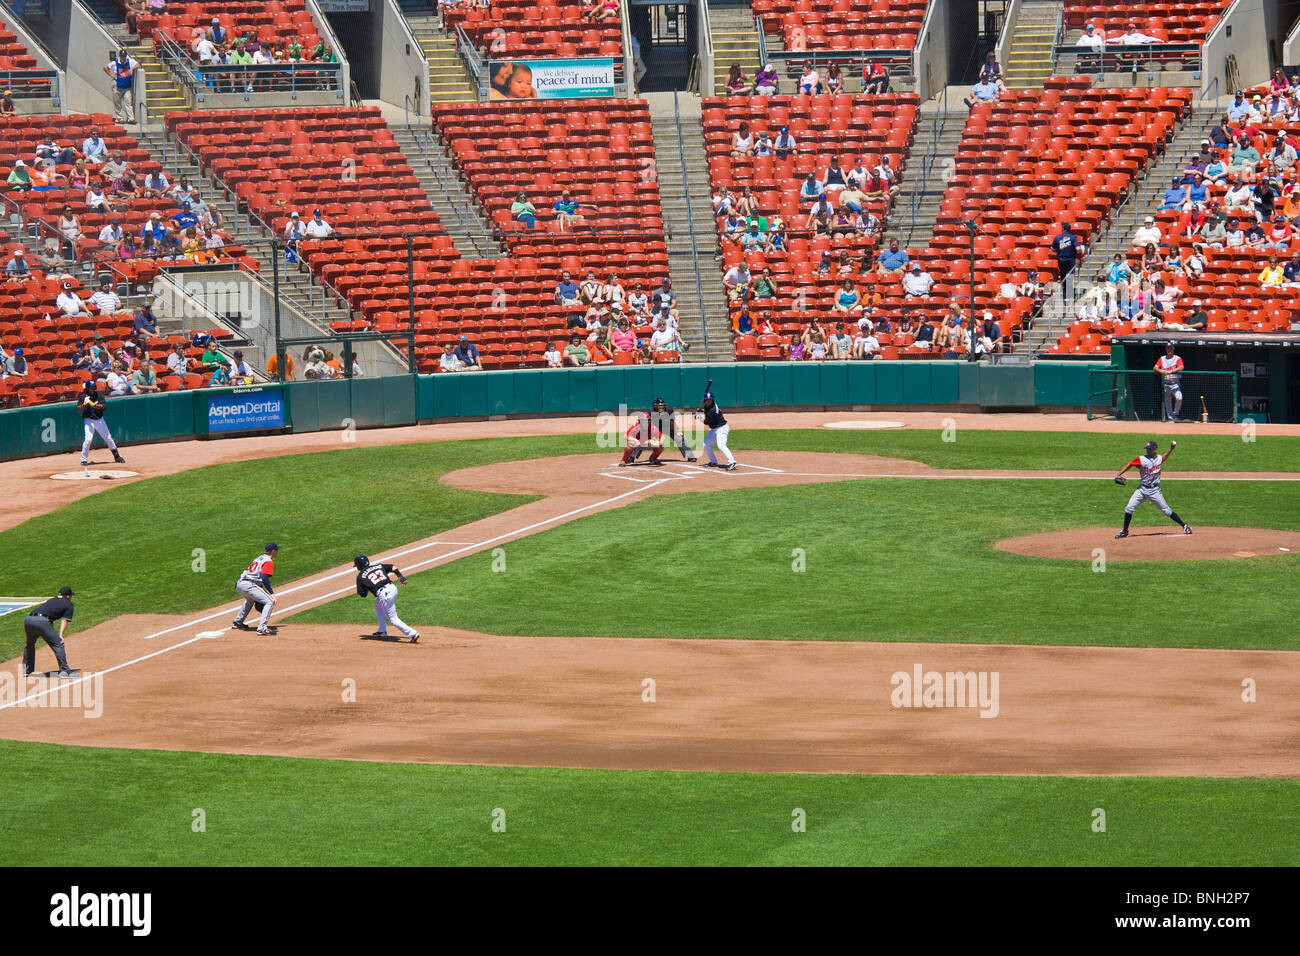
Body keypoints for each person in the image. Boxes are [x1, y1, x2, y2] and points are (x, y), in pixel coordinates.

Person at [1113, 440, 1192, 537]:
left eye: (1150, 449)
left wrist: (1171, 449)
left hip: (1155, 491)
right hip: (1142, 489)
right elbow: (1130, 464)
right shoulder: (1141, 459)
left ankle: (1184, 526)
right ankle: (1125, 531)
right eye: (1147, 449)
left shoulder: (1159, 459)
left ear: (1155, 449)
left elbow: (1164, 457)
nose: (1148, 451)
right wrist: (1119, 474)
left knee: (1166, 510)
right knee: (1129, 508)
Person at [354, 555, 418, 642]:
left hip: (385, 594)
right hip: (393, 588)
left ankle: (413, 633)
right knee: (377, 604)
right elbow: (393, 567)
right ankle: (382, 631)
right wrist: (400, 577)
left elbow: (363, 594)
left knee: (393, 619)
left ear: (359, 566)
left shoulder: (360, 577)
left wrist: (367, 587)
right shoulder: (378, 566)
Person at [22, 587, 78, 679]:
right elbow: (65, 620)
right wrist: (61, 635)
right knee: (58, 645)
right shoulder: (69, 604)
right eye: (71, 595)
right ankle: (65, 671)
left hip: (28, 620)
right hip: (42, 621)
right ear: (67, 596)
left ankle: (27, 672)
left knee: (29, 645)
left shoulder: (52, 600)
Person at [231, 543, 280, 635]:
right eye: (276, 550)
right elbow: (265, 578)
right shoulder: (268, 561)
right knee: (270, 601)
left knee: (250, 600)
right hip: (249, 584)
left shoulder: (259, 558)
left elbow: (258, 578)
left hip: (240, 584)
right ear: (273, 551)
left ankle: (238, 622)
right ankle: (262, 628)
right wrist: (272, 593)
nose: (277, 551)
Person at [77, 378, 126, 466]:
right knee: (88, 439)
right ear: (87, 388)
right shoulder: (83, 396)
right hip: (88, 420)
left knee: (108, 438)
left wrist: (93, 404)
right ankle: (83, 459)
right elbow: (78, 409)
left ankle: (117, 456)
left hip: (99, 419)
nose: (93, 389)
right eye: (91, 388)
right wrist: (84, 404)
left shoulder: (98, 395)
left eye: (94, 387)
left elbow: (102, 406)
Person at [697, 391, 737, 470]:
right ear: (705, 400)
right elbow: (706, 410)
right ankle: (713, 461)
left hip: (722, 428)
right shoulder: (707, 406)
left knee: (721, 445)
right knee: (706, 444)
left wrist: (699, 418)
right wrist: (700, 411)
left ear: (712, 400)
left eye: (710, 400)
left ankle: (732, 462)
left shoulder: (713, 410)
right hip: (715, 429)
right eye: (707, 400)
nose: (708, 401)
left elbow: (707, 422)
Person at [104, 49, 140, 124]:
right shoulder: (114, 63)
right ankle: (120, 118)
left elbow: (138, 64)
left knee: (128, 102)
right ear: (120, 56)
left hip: (127, 85)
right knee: (117, 102)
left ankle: (131, 118)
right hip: (117, 85)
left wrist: (132, 69)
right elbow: (105, 68)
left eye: (124, 57)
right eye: (122, 57)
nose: (123, 58)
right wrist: (112, 75)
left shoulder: (129, 61)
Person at [1154, 342, 1184, 422]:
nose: (1169, 349)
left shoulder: (1177, 358)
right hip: (1166, 384)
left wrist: (1171, 371)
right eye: (1168, 348)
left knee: (1179, 398)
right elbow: (1155, 368)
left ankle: (1175, 413)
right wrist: (1162, 371)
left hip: (1175, 383)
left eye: (1171, 348)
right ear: (1166, 349)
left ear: (1173, 349)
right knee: (1168, 404)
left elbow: (1181, 367)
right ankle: (1171, 420)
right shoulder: (1162, 358)